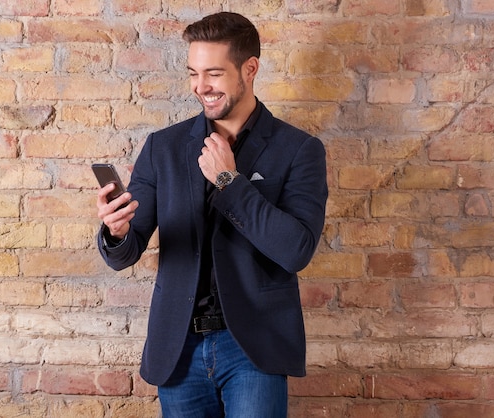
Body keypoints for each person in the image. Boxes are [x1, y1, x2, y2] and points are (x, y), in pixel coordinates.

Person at [96, 11, 328, 417]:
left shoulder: (299, 150)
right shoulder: (163, 148)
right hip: (179, 348)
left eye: (214, 74)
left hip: (254, 348)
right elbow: (127, 251)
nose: (200, 87)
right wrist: (115, 231)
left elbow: (296, 251)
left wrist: (230, 181)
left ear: (250, 69)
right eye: (193, 73)